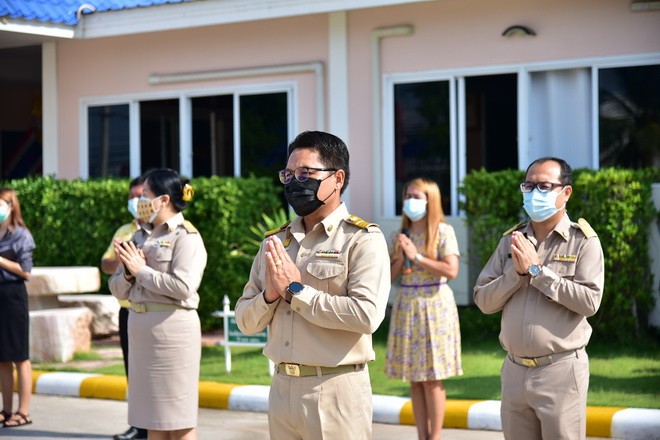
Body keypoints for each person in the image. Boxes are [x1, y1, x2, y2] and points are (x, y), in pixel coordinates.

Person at [235, 130, 391, 439]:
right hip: (282, 388)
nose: (295, 183)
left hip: (335, 389)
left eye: (306, 173)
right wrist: (270, 296)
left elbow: (366, 315)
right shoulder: (275, 242)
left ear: (337, 178)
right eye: (289, 174)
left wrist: (296, 291)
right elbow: (245, 321)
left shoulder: (361, 240)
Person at [473, 157, 605, 440]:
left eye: (544, 186)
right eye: (529, 186)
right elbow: (483, 300)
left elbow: (589, 302)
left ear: (565, 193)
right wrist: (516, 274)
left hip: (560, 370)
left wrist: (537, 272)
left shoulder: (583, 241)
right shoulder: (511, 240)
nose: (534, 193)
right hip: (514, 370)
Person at [109, 169, 207, 440]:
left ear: (163, 200)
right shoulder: (139, 236)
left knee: (179, 420)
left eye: (145, 195)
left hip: (173, 333)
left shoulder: (186, 237)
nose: (139, 201)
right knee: (153, 419)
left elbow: (183, 287)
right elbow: (116, 287)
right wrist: (128, 275)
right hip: (141, 332)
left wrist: (140, 271)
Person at [384, 178, 463, 440]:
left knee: (432, 377)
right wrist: (400, 256)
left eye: (416, 197)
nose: (410, 201)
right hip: (407, 305)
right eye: (407, 196)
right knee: (415, 378)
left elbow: (451, 270)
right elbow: (389, 277)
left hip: (434, 304)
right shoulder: (399, 235)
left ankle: (435, 437)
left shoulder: (443, 232)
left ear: (431, 201)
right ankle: (422, 435)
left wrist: (416, 256)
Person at [101, 177, 148, 440]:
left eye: (140, 195)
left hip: (151, 310)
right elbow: (106, 264)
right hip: (127, 310)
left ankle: (155, 425)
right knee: (132, 368)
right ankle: (138, 425)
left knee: (151, 371)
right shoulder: (123, 231)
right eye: (131, 196)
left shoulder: (161, 231)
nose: (135, 201)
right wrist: (120, 259)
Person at [0, 188, 36, 428]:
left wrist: (1, 260)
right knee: (2, 358)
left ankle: (23, 412)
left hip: (13, 295)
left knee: (19, 356)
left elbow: (26, 271)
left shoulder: (21, 235)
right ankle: (6, 410)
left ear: (11, 206)